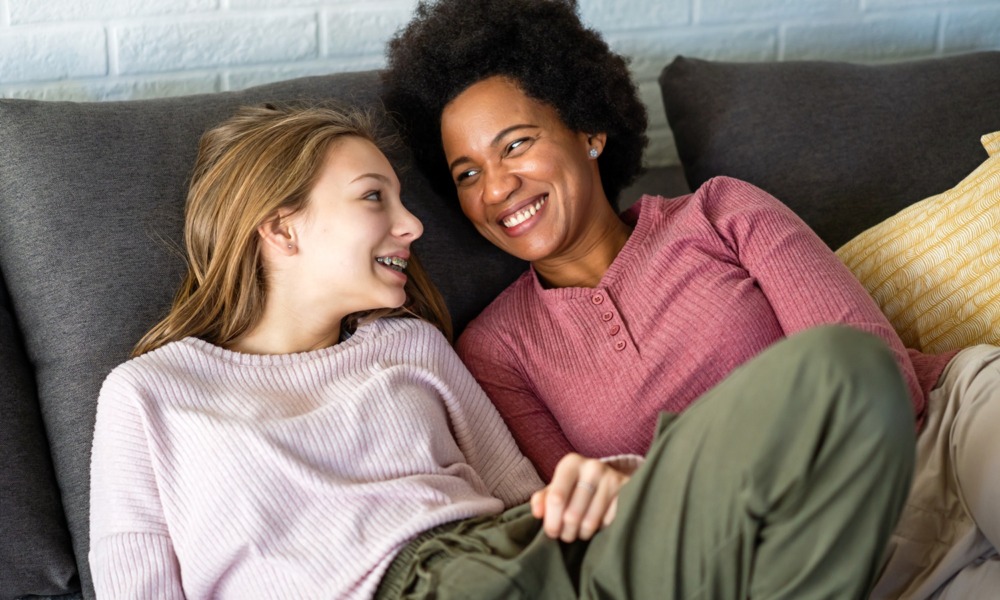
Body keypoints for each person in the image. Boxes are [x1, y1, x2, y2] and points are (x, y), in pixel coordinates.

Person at [86, 104, 915, 599]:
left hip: (532, 563)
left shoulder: (411, 347)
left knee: (848, 369)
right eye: (376, 199)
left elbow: (527, 502)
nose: (414, 227)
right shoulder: (152, 395)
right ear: (280, 226)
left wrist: (617, 480)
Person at [381, 0, 1000, 597]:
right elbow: (594, 529)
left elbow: (881, 375)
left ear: (588, 131)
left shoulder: (721, 212)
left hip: (943, 438)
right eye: (467, 173)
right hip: (809, 556)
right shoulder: (496, 351)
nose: (497, 188)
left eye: (515, 144)